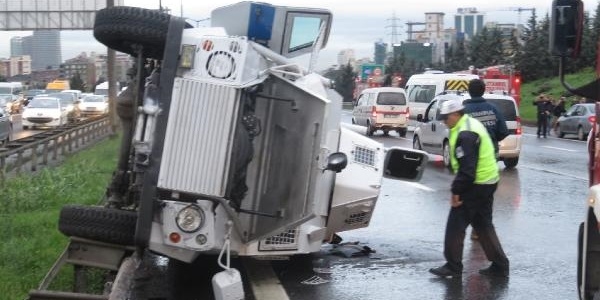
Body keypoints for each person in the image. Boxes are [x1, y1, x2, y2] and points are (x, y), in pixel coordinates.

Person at [429, 99, 510, 278]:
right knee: (483, 225)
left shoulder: (465, 134)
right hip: (488, 180)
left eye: (446, 117)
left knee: (455, 226)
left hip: (475, 184)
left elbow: (468, 169)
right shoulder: (469, 124)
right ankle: (500, 264)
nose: (444, 121)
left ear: (456, 114)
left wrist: (457, 191)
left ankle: (453, 266)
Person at [463, 79, 509, 158]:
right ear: (483, 91)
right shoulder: (493, 109)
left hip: (470, 153)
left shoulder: (463, 111)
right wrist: (493, 140)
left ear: (469, 91)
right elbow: (503, 131)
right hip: (491, 151)